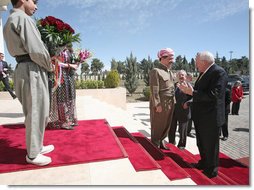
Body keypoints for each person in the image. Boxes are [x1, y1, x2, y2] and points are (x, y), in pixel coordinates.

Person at [3, 0, 54, 166]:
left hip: (22, 67)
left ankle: (37, 146)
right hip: (32, 68)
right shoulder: (23, 19)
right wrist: (50, 65)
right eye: (34, 1)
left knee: (36, 111)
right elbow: (36, 49)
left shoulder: (10, 20)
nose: (37, 6)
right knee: (37, 111)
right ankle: (33, 154)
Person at [178, 51, 227, 178]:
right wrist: (189, 92)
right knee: (201, 142)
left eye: (196, 61)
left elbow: (214, 95)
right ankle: (204, 162)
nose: (195, 63)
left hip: (211, 116)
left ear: (204, 62)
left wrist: (192, 92)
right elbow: (200, 91)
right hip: (201, 116)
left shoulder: (218, 72)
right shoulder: (202, 73)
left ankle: (212, 169)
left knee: (211, 145)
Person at [47, 45, 79, 130]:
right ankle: (62, 121)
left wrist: (77, 63)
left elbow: (73, 64)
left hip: (69, 76)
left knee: (70, 98)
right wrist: (70, 65)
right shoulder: (56, 50)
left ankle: (70, 119)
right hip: (59, 76)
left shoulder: (70, 51)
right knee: (61, 99)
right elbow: (54, 62)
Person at [149, 48, 175, 150]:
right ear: (162, 58)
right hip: (161, 103)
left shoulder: (170, 72)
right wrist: (157, 104)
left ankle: (162, 140)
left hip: (170, 102)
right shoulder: (156, 71)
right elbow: (154, 90)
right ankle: (155, 143)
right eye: (170, 59)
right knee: (158, 124)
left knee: (167, 123)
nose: (171, 62)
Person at [168, 70, 192, 150]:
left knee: (182, 130)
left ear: (185, 77)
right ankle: (171, 142)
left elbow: (194, 97)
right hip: (174, 111)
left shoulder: (189, 86)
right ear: (177, 77)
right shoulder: (174, 85)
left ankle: (181, 145)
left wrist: (187, 103)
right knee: (171, 128)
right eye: (179, 75)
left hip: (184, 111)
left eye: (183, 75)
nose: (181, 76)